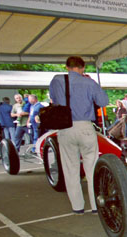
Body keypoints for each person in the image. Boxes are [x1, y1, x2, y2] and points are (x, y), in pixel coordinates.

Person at [49, 55, 109, 215]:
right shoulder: (89, 81)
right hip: (85, 126)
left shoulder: (56, 80)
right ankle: (96, 205)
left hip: (65, 128)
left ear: (67, 67)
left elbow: (53, 99)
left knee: (70, 168)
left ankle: (78, 207)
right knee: (91, 167)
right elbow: (103, 102)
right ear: (82, 68)